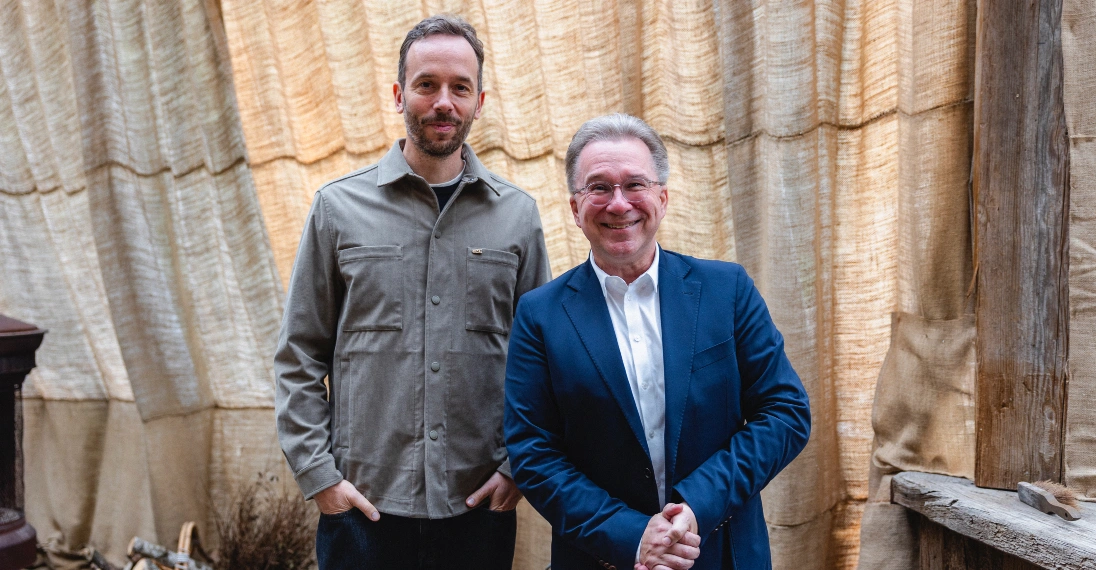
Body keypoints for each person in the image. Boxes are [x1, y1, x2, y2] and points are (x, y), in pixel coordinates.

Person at [274, 14, 551, 570]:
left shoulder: (517, 218)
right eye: (427, 84)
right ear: (400, 94)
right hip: (363, 508)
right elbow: (299, 354)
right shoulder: (337, 210)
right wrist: (320, 477)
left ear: (480, 100)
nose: (443, 101)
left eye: (459, 87)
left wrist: (518, 467)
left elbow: (541, 361)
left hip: (476, 509)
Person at [504, 114, 811, 570]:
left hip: (719, 551)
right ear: (575, 208)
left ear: (662, 199)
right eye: (599, 187)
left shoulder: (727, 290)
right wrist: (630, 536)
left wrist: (695, 507)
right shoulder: (539, 314)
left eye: (635, 185)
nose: (618, 203)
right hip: (599, 557)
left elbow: (785, 413)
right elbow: (533, 452)